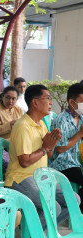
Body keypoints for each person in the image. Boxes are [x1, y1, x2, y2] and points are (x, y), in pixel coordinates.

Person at [5, 84, 80, 230]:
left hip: (40, 177)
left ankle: (33, 229)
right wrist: (45, 148)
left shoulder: (41, 124)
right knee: (55, 207)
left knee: (74, 200)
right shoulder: (23, 126)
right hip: (20, 178)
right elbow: (25, 162)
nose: (51, 102)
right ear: (35, 102)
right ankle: (32, 236)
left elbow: (49, 154)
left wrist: (52, 144)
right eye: (47, 98)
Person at [51, 83, 83, 211]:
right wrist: (80, 133)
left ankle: (76, 207)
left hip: (75, 162)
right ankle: (76, 210)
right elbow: (60, 148)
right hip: (62, 164)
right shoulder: (61, 120)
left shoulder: (80, 117)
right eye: (82, 101)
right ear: (71, 101)